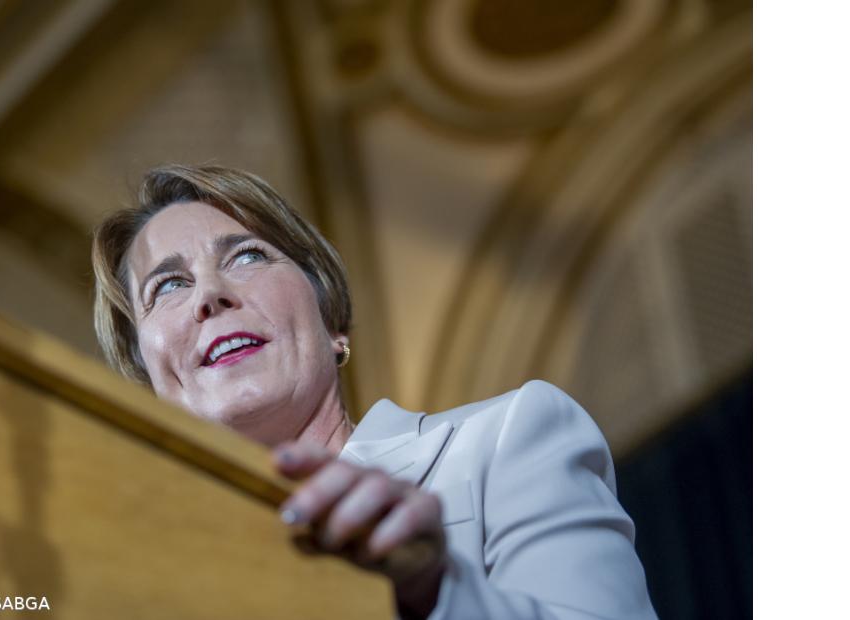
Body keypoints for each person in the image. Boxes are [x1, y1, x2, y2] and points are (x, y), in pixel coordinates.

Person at [91, 164, 658, 619]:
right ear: (149, 379)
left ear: (332, 324)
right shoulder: (136, 582)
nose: (209, 295)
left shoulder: (510, 435)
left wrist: (432, 590)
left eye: (247, 255)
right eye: (168, 285)